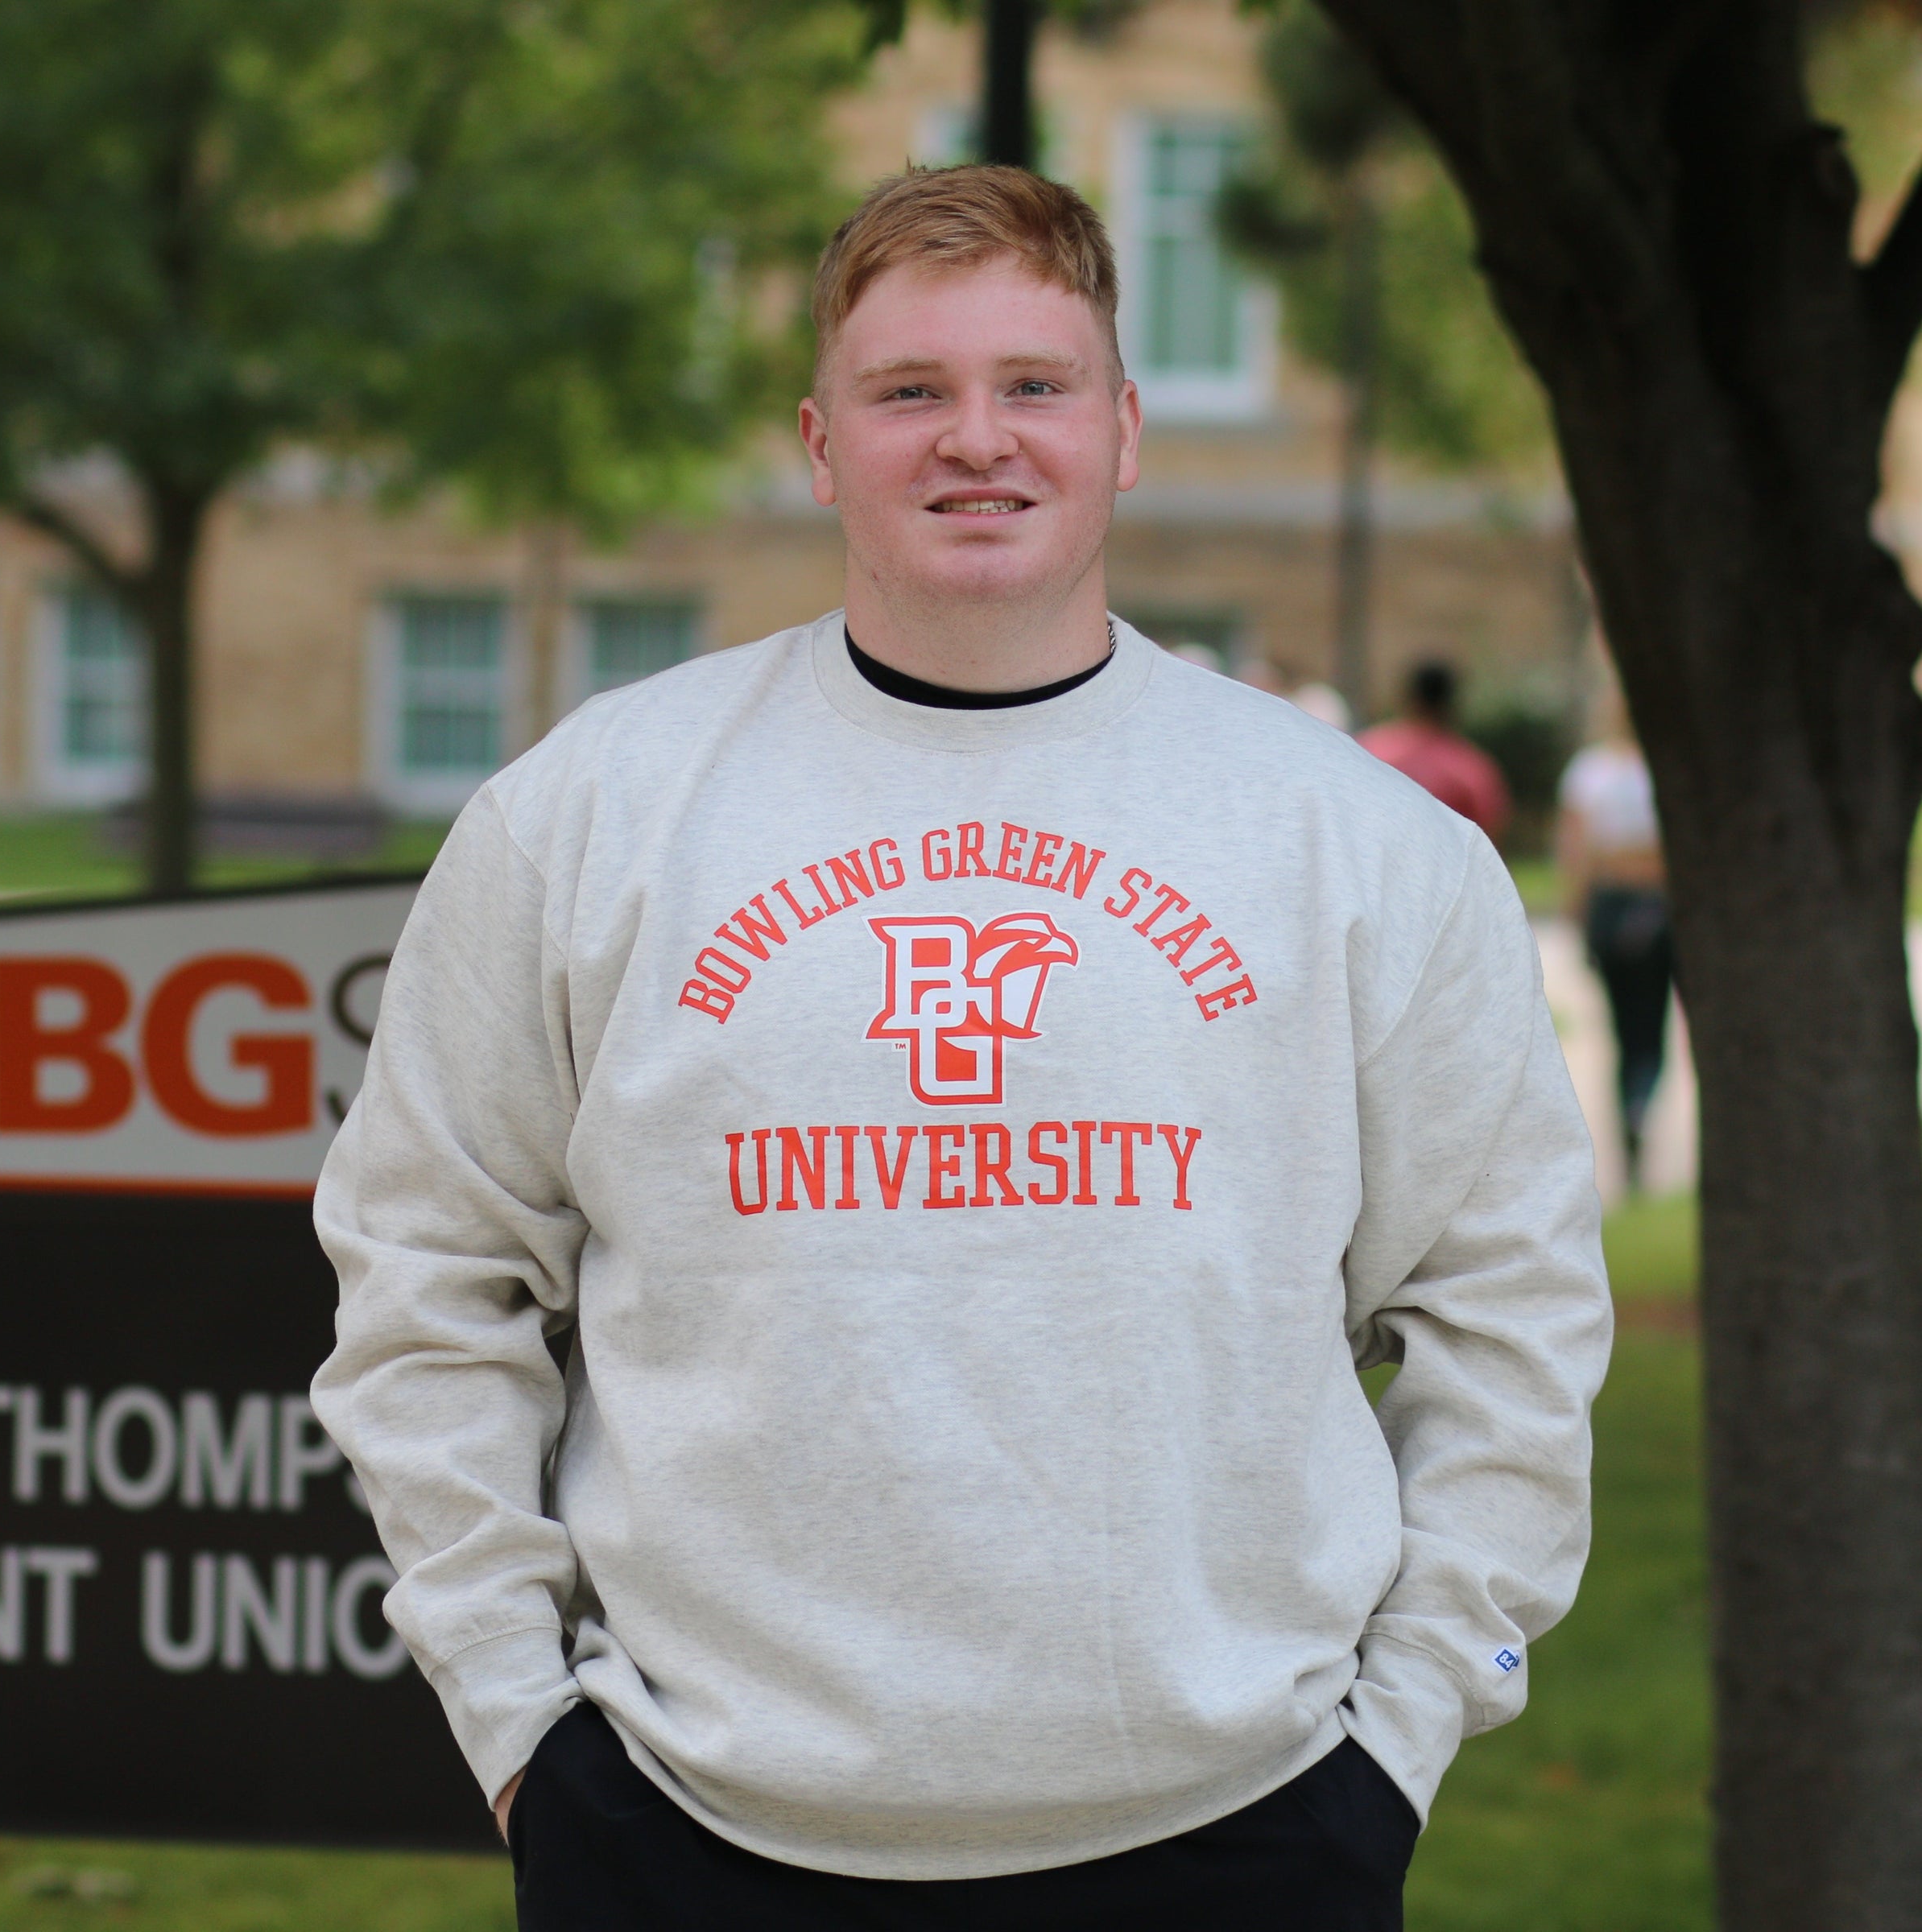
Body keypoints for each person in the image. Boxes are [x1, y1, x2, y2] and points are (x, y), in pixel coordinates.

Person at [311, 166, 1610, 1932]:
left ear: (1127, 428)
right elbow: (425, 1285)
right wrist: (524, 1730)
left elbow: (1508, 1313)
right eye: (910, 390)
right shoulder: (590, 818)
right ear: (819, 439)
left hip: (1248, 1828)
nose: (975, 440)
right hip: (692, 1837)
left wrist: (1396, 1740)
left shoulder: (1356, 846)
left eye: (1036, 385)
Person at [1556, 692, 1671, 1189]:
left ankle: (1631, 1110)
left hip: (1611, 902)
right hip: (1656, 901)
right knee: (1651, 1023)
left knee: (1622, 1025)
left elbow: (1576, 851)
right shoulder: (1664, 772)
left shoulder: (1590, 772)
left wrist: (1578, 918)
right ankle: (1642, 1098)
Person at [1358, 660, 1512, 842]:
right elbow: (1490, 833)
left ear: (1408, 697)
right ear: (1451, 702)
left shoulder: (1369, 751)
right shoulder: (1468, 768)